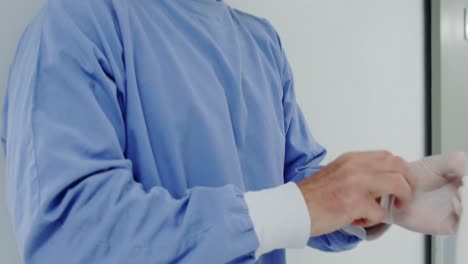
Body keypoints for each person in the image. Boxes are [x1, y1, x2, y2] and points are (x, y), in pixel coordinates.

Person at [1, 0, 465, 263]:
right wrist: (304, 202)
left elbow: (300, 181)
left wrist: (389, 195)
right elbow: (72, 239)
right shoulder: (76, 27)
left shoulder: (261, 41)